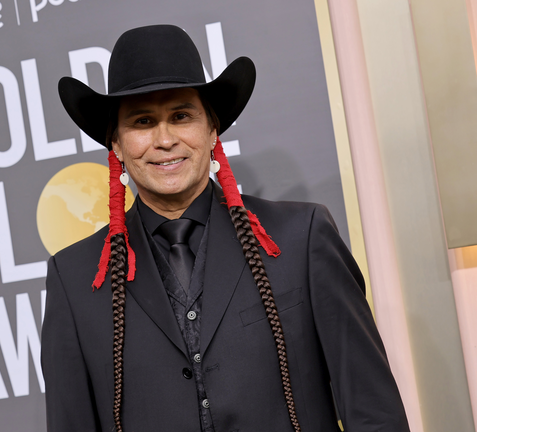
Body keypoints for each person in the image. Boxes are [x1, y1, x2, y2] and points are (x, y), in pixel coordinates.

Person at [41, 24, 410, 432]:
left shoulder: (300, 237)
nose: (164, 140)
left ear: (212, 129)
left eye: (181, 116)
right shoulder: (74, 279)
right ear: (116, 144)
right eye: (143, 121)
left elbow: (374, 411)